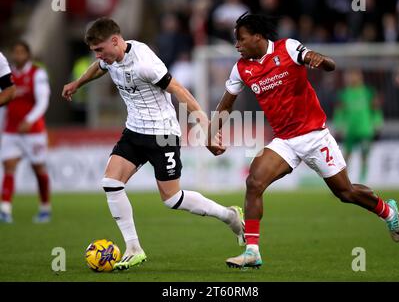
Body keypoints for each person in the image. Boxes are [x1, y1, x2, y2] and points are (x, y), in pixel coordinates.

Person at [206, 13, 399, 269]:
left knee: (345, 192)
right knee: (254, 182)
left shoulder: (287, 48)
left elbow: (329, 65)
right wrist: (209, 135)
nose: (237, 45)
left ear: (257, 36)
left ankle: (388, 212)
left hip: (314, 135)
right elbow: (226, 104)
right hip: (285, 141)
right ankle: (252, 251)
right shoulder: (241, 68)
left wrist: (320, 61)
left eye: (240, 39)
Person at [62, 17, 244, 271]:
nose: (99, 56)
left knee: (171, 198)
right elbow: (99, 67)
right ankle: (134, 248)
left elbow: (181, 92)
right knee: (111, 183)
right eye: (95, 52)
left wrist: (207, 130)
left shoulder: (145, 65)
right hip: (134, 131)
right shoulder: (110, 58)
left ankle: (229, 215)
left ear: (115, 41)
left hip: (163, 134)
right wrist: (77, 83)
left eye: (100, 50)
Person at [0, 41, 51, 224]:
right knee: (9, 167)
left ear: (28, 54)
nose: (18, 55)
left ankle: (45, 207)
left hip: (33, 131)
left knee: (38, 169)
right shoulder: (7, 75)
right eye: (15, 52)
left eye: (22, 52)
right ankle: (5, 209)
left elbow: (43, 101)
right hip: (11, 131)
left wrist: (29, 120)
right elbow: (4, 104)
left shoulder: (38, 73)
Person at [333, 69, 383, 183]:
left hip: (365, 130)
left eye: (354, 76)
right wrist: (339, 125)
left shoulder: (368, 92)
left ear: (360, 77)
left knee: (364, 156)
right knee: (346, 157)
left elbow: (376, 109)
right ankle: (344, 182)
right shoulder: (344, 93)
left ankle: (363, 180)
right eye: (349, 76)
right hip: (350, 130)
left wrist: (377, 123)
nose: (351, 78)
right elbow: (339, 111)